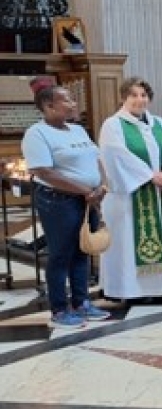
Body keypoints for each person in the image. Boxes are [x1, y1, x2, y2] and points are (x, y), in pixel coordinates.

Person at [23, 85, 110, 328]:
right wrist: (85, 191)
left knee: (82, 251)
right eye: (68, 100)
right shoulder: (37, 133)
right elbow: (44, 172)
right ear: (49, 106)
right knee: (61, 254)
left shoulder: (77, 129)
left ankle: (82, 302)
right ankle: (59, 309)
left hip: (88, 199)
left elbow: (96, 158)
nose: (74, 104)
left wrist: (102, 185)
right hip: (58, 201)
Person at [99, 77, 162, 302]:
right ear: (123, 97)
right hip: (129, 196)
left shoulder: (159, 123)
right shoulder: (113, 125)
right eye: (134, 95)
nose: (140, 100)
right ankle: (129, 290)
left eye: (144, 95)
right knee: (127, 242)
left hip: (160, 190)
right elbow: (116, 154)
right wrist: (149, 176)